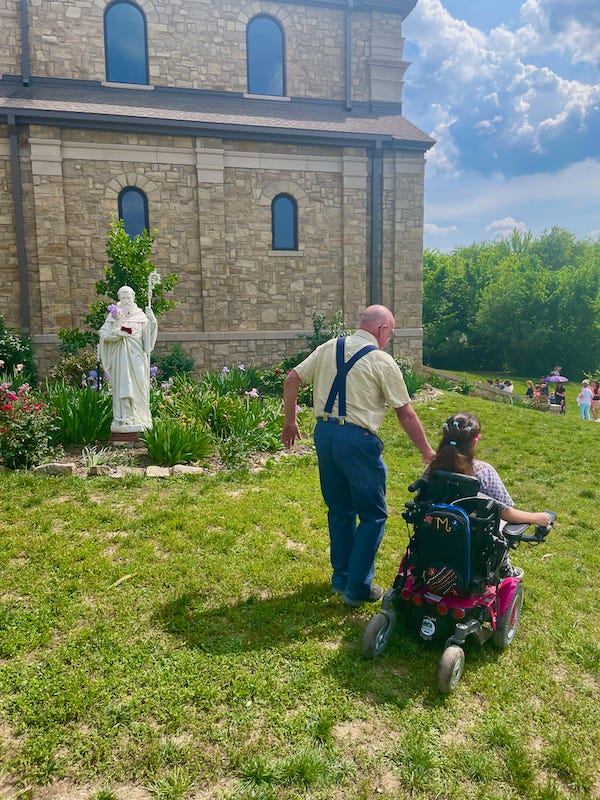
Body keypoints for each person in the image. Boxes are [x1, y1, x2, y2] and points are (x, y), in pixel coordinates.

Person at [281, 304, 435, 607]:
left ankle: (341, 579)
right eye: (389, 333)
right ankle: (358, 588)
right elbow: (405, 413)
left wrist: (290, 420)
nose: (388, 339)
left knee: (339, 510)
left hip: (324, 436)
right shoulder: (381, 360)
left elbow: (291, 379)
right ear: (382, 329)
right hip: (358, 441)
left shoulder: (329, 347)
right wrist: (427, 450)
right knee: (373, 514)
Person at [425, 412, 553, 578]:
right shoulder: (483, 471)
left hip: (434, 537)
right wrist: (537, 518)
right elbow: (506, 512)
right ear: (476, 439)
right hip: (474, 544)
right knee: (497, 525)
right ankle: (504, 567)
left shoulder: (433, 468)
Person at [98, 285, 158, 431]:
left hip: (137, 357)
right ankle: (123, 417)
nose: (126, 300)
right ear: (119, 299)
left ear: (133, 297)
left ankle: (139, 417)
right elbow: (103, 334)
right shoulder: (113, 316)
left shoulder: (141, 316)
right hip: (120, 357)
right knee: (122, 385)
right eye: (123, 298)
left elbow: (147, 340)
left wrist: (153, 321)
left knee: (139, 385)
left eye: (128, 297)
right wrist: (117, 335)